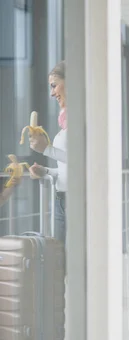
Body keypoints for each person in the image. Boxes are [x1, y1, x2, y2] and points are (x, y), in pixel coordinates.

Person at [28, 61, 67, 245]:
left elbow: (84, 161)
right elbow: (69, 169)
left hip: (77, 202)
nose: (52, 93)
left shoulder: (84, 117)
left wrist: (46, 149)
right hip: (61, 200)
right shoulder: (66, 122)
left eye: (54, 85)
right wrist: (47, 171)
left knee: (76, 264)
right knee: (60, 264)